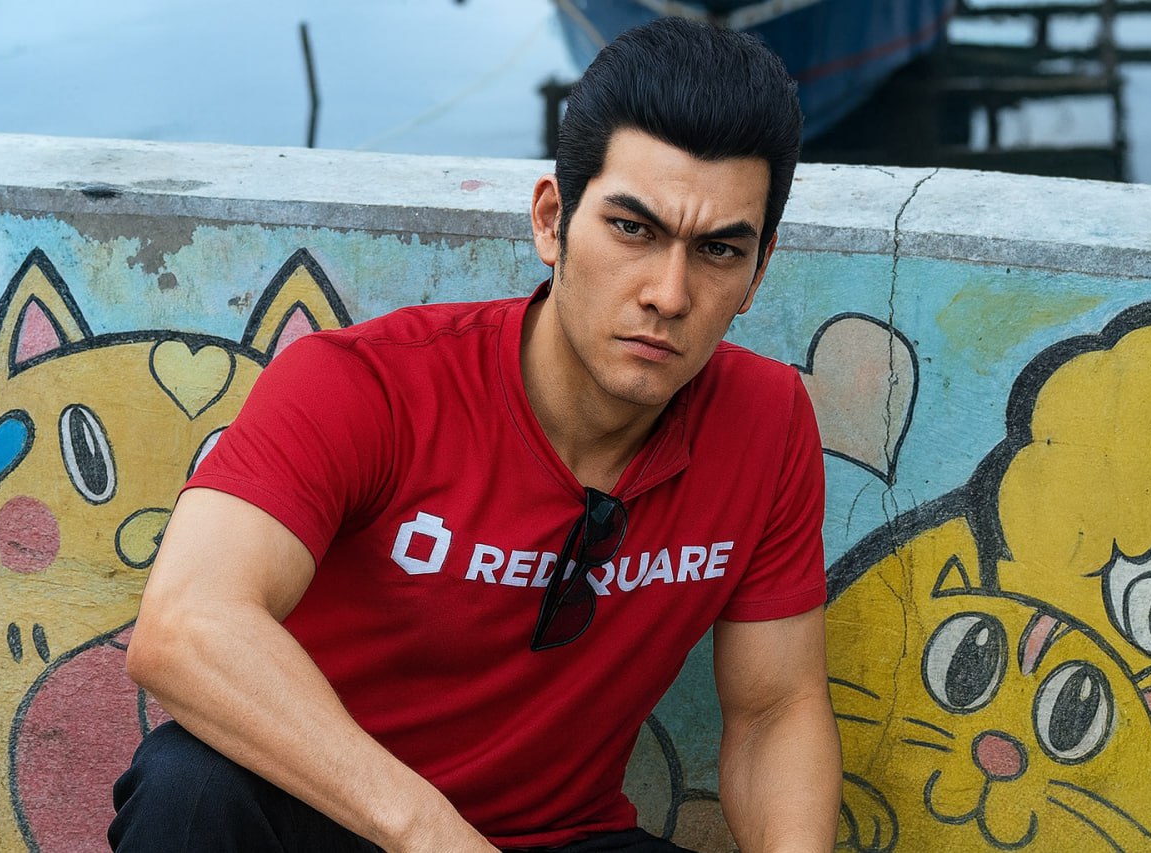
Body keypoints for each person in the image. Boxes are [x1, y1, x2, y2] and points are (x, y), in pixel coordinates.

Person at [111, 15, 841, 853]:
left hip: (560, 836)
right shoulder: (365, 387)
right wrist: (428, 832)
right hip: (338, 821)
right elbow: (187, 623)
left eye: (717, 251)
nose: (669, 294)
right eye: (632, 229)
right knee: (188, 786)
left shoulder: (766, 421)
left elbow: (775, 709)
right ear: (551, 221)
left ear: (758, 271)